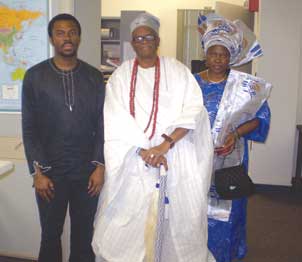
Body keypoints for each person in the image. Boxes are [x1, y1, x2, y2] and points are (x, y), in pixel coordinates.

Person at [92, 12, 215, 262]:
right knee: (128, 223)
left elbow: (194, 112)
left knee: (177, 222)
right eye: (138, 38)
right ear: (132, 43)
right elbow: (114, 119)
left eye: (148, 36)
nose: (143, 41)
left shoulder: (178, 71)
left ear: (158, 40)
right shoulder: (121, 76)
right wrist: (144, 151)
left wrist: (164, 145)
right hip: (133, 160)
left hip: (175, 155)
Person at [22, 13, 105, 262]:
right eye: (60, 32)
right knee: (50, 236)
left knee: (84, 236)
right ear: (51, 38)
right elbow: (29, 127)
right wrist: (38, 172)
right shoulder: (35, 76)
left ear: (78, 37)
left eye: (72, 32)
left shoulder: (94, 76)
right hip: (50, 173)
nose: (67, 37)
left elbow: (103, 125)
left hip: (86, 174)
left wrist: (100, 165)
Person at [194, 14, 271, 262]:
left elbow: (261, 118)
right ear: (205, 54)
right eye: (213, 53)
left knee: (230, 207)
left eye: (223, 54)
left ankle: (226, 253)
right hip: (197, 157)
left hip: (232, 156)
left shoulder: (245, 87)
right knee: (196, 209)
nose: (218, 58)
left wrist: (235, 133)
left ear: (231, 57)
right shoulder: (191, 84)